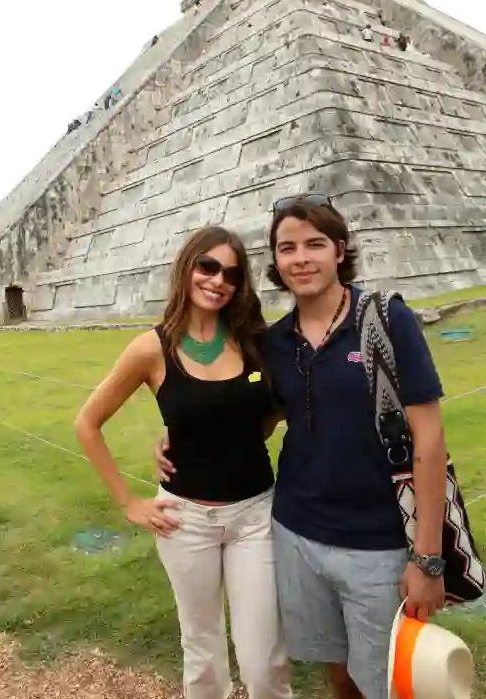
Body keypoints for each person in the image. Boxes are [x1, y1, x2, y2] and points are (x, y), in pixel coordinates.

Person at [158, 197, 448, 699]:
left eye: (315, 244)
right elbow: (259, 419)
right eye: (287, 247)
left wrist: (427, 559)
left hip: (376, 540)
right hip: (295, 533)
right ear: (276, 262)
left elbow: (430, 441)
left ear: (340, 250)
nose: (301, 258)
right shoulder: (275, 343)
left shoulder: (385, 321)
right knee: (337, 670)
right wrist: (183, 436)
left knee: (387, 679)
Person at [74, 225, 293, 699]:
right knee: (202, 653)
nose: (218, 280)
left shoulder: (254, 340)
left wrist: (203, 433)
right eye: (207, 266)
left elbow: (273, 412)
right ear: (187, 267)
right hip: (184, 521)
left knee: (263, 660)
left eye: (231, 273)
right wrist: (129, 502)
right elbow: (87, 423)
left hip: (254, 516)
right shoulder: (151, 348)